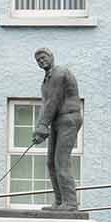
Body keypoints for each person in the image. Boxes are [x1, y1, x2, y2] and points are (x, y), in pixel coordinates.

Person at [32, 47, 84, 211]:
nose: (41, 61)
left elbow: (53, 100)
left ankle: (70, 203)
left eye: (43, 57)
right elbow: (45, 104)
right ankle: (60, 201)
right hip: (56, 120)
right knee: (50, 163)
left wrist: (42, 125)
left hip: (68, 119)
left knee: (61, 161)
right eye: (38, 60)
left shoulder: (59, 73)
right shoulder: (46, 80)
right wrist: (40, 127)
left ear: (51, 57)